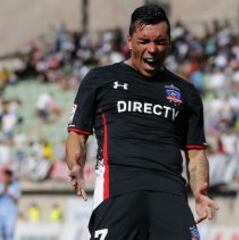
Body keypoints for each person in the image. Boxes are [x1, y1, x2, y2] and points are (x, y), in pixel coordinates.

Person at [66, 4, 219, 240]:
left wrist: (200, 192)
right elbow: (77, 134)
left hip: (170, 195)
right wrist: (75, 165)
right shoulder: (100, 79)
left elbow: (196, 154)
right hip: (118, 191)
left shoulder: (185, 92)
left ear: (169, 43)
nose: (152, 49)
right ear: (129, 41)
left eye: (160, 42)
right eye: (144, 41)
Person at [0, 168, 21, 240]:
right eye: (5, 175)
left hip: (10, 214)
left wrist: (8, 192)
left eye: (8, 175)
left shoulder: (15, 186)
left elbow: (16, 199)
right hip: (1, 213)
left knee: (9, 234)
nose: (6, 177)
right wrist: (3, 191)